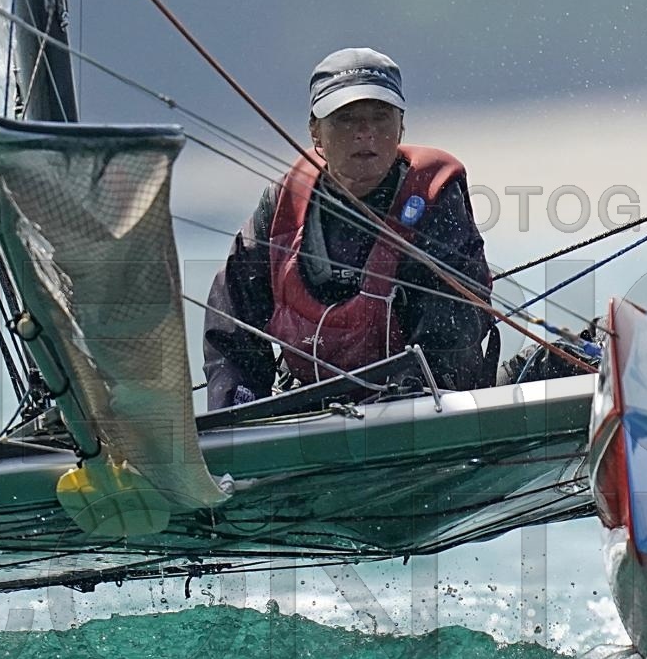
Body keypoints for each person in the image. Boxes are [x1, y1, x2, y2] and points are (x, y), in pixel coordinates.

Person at [202, 48, 497, 409]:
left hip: (423, 405)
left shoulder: (432, 197)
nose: (365, 133)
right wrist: (238, 401)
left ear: (401, 126)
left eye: (380, 117)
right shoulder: (283, 207)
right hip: (309, 406)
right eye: (346, 119)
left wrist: (412, 393)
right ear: (315, 130)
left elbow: (455, 325)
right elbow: (232, 320)